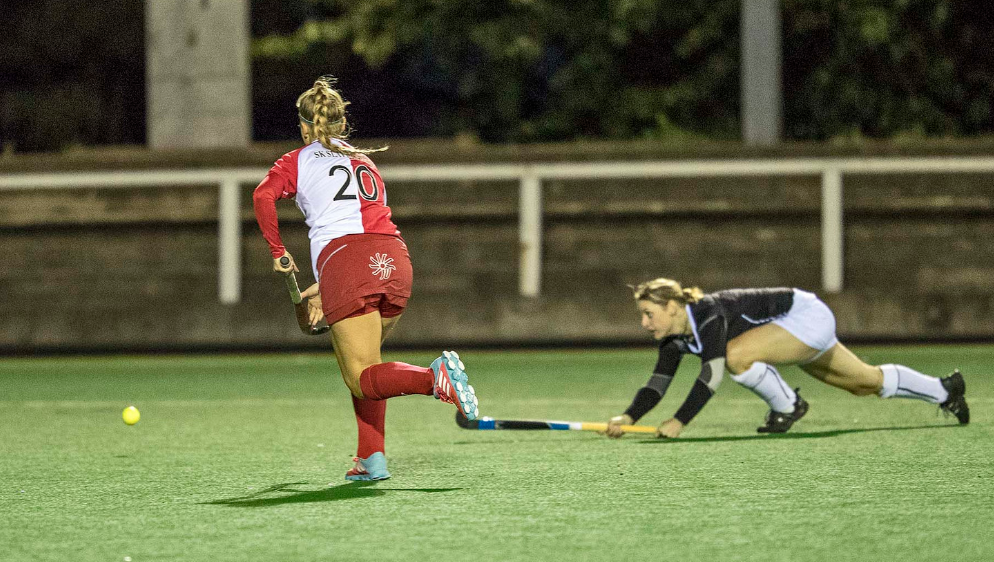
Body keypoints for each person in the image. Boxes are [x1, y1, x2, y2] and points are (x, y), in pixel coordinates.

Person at [253, 75, 480, 481]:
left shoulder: (296, 161)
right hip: (394, 261)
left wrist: (277, 251)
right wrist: (326, 285)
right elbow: (361, 226)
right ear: (342, 124)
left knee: (360, 377)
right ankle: (371, 459)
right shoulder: (365, 161)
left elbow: (262, 195)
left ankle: (435, 379)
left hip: (347, 263)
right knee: (371, 369)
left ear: (304, 127)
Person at [605, 278, 969, 438]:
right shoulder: (673, 340)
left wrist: (679, 421)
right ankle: (945, 390)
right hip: (790, 328)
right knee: (865, 383)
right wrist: (629, 416)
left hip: (804, 316)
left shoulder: (708, 315)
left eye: (649, 314)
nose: (644, 323)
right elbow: (657, 384)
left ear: (672, 307)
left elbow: (712, 375)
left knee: (735, 356)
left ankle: (788, 407)